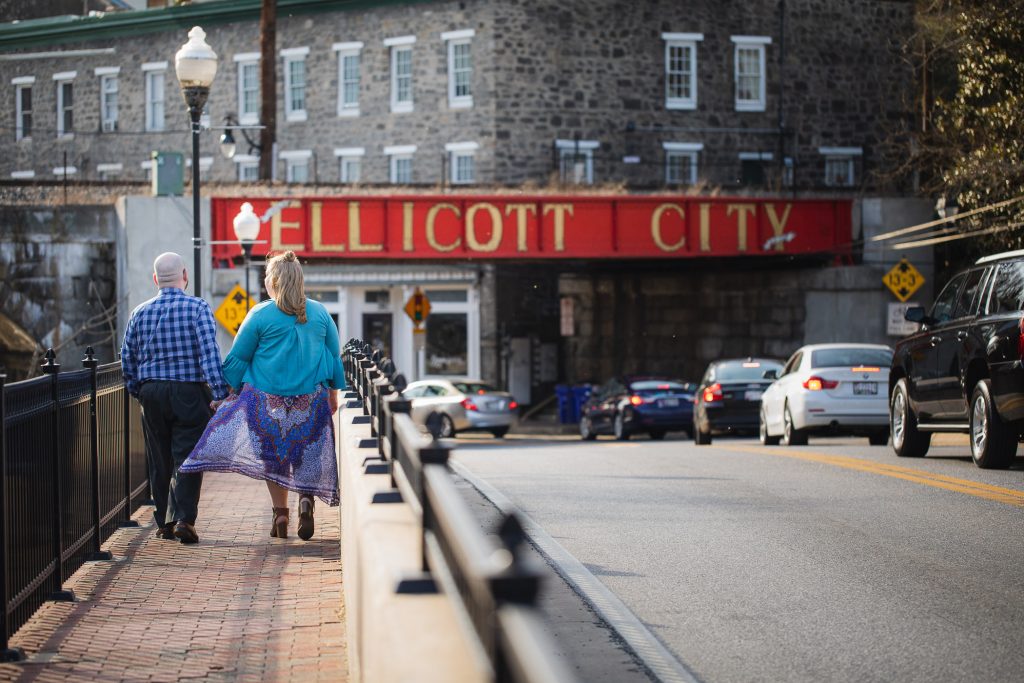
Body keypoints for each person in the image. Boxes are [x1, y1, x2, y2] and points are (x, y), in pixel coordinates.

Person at [181, 251, 345, 540]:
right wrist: (332, 394)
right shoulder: (320, 314)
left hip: (268, 404)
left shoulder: (260, 314)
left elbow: (237, 360)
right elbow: (333, 357)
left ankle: (280, 514)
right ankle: (305, 499)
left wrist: (224, 394)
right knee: (306, 452)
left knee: (274, 457)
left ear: (273, 282)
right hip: (311, 400)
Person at [121, 252, 229, 545]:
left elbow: (127, 359)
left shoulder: (139, 313)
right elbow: (209, 355)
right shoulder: (197, 308)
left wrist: (137, 390)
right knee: (188, 457)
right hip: (189, 392)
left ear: (155, 279)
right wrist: (219, 395)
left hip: (152, 392)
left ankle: (164, 522)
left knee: (160, 458)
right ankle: (184, 519)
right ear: (185, 276)